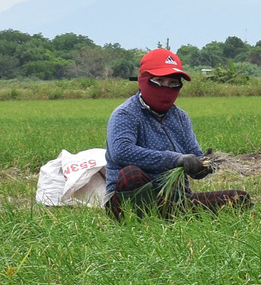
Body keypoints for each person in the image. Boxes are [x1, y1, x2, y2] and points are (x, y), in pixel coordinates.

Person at [105, 50, 250, 217]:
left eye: (173, 83)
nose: (166, 88)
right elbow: (121, 151)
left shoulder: (180, 117)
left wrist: (203, 164)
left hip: (175, 199)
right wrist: (175, 159)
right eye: (159, 81)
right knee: (131, 175)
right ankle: (150, 221)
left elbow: (193, 155)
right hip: (129, 201)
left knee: (238, 198)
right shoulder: (126, 113)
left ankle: (172, 216)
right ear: (143, 80)